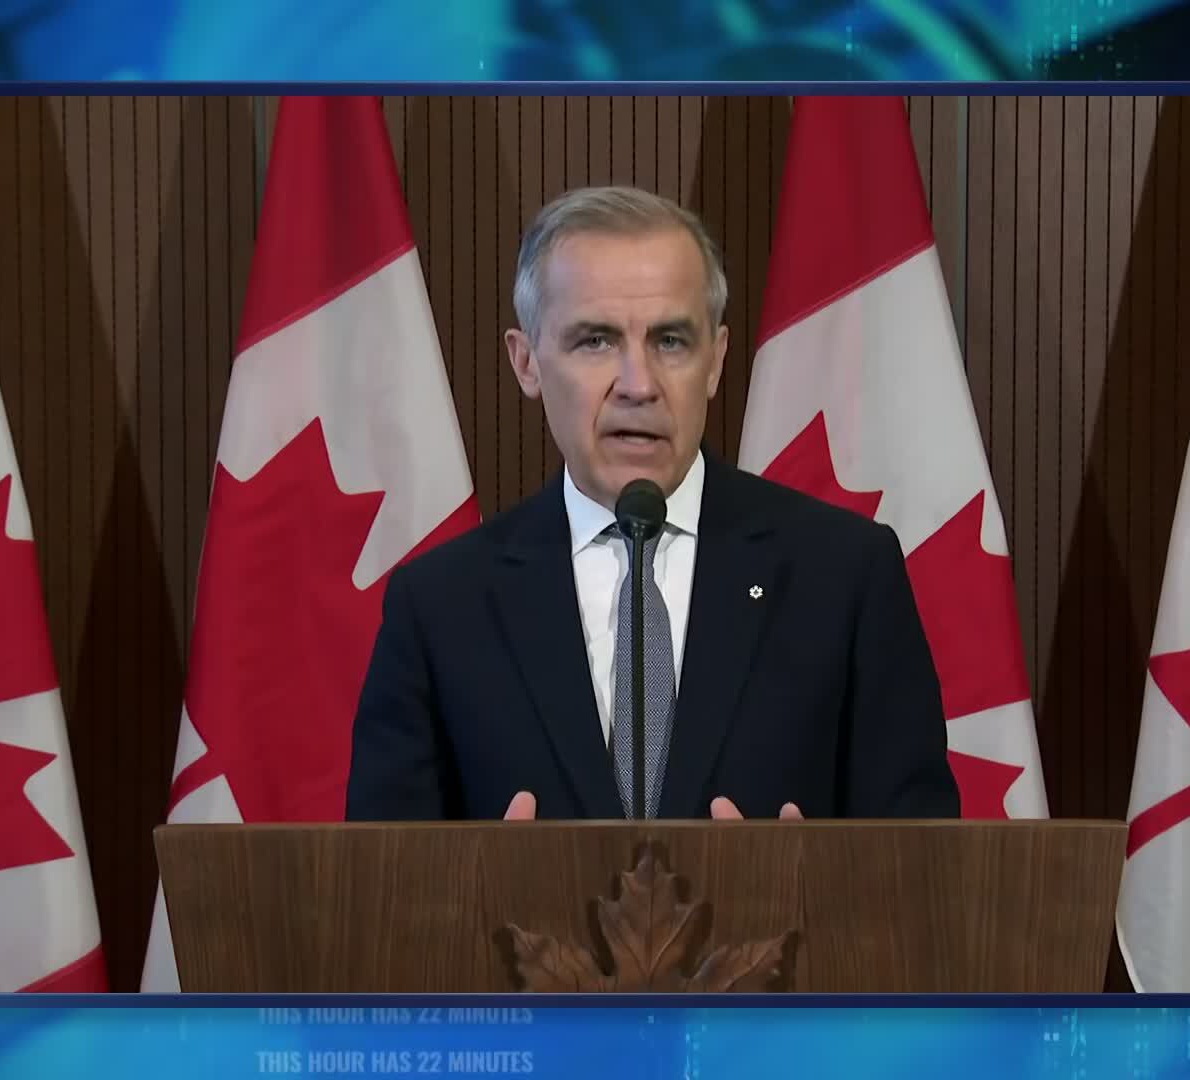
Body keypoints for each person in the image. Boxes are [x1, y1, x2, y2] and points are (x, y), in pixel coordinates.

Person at [345, 186, 960, 822]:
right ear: (526, 363)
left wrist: (810, 878)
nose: (638, 386)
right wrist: (479, 881)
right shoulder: (440, 606)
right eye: (595, 341)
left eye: (670, 341)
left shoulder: (845, 577)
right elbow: (383, 873)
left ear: (715, 361)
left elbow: (922, 863)